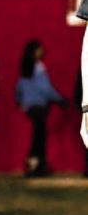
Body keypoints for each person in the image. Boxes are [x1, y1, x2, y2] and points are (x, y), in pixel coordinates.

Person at [14, 40, 66, 177]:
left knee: (37, 135)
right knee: (40, 137)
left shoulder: (26, 68)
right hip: (39, 107)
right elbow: (46, 89)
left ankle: (33, 164)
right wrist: (60, 99)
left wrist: (20, 101)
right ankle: (36, 165)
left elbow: (19, 88)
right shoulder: (39, 67)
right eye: (39, 49)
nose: (41, 52)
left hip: (30, 107)